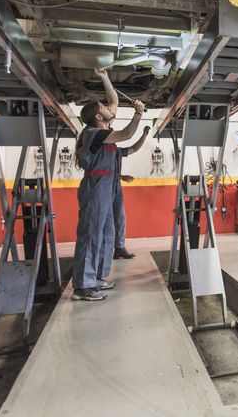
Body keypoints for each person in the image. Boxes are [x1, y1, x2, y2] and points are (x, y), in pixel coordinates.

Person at [72, 68, 145, 301]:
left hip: (108, 186)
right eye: (103, 107)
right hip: (96, 187)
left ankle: (96, 277)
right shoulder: (94, 133)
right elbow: (127, 134)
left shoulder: (103, 131)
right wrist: (137, 114)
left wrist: (104, 77)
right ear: (98, 116)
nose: (108, 107)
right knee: (91, 233)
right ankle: (82, 286)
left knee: (106, 233)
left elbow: (114, 101)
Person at [111, 126, 151, 260]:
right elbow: (102, 172)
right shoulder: (101, 152)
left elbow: (134, 148)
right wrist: (121, 176)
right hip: (103, 187)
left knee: (120, 217)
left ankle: (119, 248)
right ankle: (102, 249)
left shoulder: (117, 151)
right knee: (105, 219)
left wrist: (144, 135)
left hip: (116, 187)